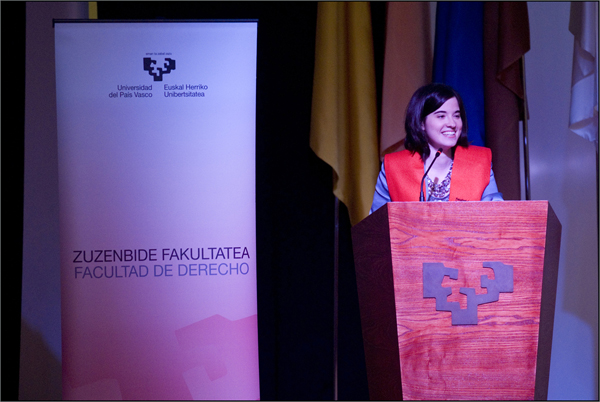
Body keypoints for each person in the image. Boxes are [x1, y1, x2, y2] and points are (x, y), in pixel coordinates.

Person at [370, 83, 503, 213]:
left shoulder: (479, 162)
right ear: (421, 123)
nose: (452, 123)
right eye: (441, 116)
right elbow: (376, 222)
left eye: (456, 116)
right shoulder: (394, 166)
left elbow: (496, 215)